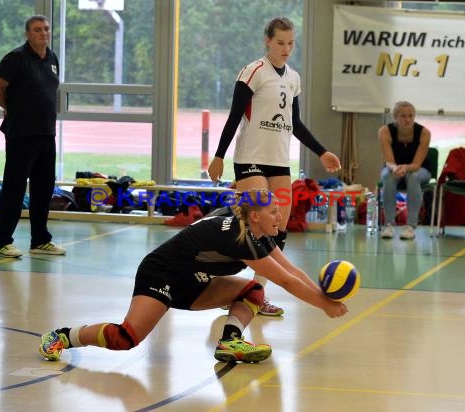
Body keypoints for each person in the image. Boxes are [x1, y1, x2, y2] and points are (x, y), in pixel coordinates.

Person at [39, 189, 348, 364]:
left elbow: (291, 271)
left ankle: (230, 343)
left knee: (253, 290)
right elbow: (286, 281)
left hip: (194, 280)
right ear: (254, 216)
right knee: (126, 338)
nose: (279, 217)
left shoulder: (259, 236)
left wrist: (325, 296)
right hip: (161, 274)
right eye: (273, 213)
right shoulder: (239, 236)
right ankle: (64, 335)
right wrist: (325, 304)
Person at [207, 17, 341, 316]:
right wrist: (219, 156)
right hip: (250, 159)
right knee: (254, 225)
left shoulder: (293, 78)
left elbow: (296, 125)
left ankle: (257, 293)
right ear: (268, 41)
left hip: (279, 162)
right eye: (280, 42)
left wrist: (322, 152)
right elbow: (233, 117)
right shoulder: (254, 71)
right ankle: (220, 280)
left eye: (291, 43)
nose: (286, 48)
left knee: (277, 228)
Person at [0, 15, 65, 258]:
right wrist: (10, 107)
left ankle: (40, 240)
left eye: (46, 29)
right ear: (27, 34)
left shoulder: (52, 58)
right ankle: (3, 242)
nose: (43, 33)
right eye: (37, 30)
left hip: (46, 133)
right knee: (14, 187)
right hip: (21, 133)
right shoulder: (16, 58)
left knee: (43, 188)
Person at [378, 101, 431, 240]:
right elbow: (389, 160)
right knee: (388, 177)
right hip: (393, 167)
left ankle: (410, 226)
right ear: (395, 117)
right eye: (403, 116)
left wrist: (405, 168)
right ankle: (389, 224)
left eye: (410, 116)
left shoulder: (424, 133)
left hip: (419, 169)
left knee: (413, 177)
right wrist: (396, 168)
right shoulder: (385, 131)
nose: (407, 120)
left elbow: (417, 164)